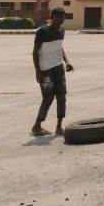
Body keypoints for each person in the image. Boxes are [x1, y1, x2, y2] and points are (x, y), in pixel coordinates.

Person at [31, 7, 74, 136]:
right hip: (45, 70)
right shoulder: (42, 31)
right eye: (58, 17)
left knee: (62, 96)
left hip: (58, 68)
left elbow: (59, 48)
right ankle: (37, 126)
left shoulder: (62, 30)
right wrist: (38, 71)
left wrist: (67, 62)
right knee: (48, 97)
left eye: (63, 17)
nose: (61, 19)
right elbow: (35, 52)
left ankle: (59, 127)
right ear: (52, 16)